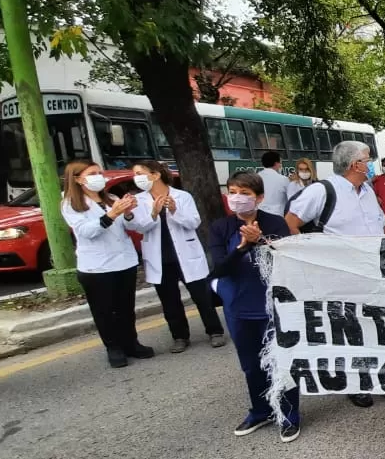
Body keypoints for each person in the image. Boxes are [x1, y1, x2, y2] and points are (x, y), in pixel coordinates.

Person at [287, 141, 385, 408]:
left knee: (382, 328)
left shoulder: (367, 190)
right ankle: (357, 384)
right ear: (355, 164)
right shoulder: (322, 191)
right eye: (368, 159)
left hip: (375, 273)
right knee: (352, 332)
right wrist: (314, 260)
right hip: (341, 278)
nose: (371, 164)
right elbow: (291, 223)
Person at [209, 170, 301, 443]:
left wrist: (260, 241)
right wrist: (242, 247)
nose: (237, 198)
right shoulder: (220, 228)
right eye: (232, 192)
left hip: (272, 306)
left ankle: (289, 414)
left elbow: (287, 260)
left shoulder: (275, 223)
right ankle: (261, 411)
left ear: (258, 198)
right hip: (238, 306)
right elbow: (219, 267)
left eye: (245, 193)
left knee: (281, 362)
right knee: (251, 365)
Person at [61, 160, 154, 368]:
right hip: (97, 267)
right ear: (78, 179)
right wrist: (112, 214)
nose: (99, 177)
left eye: (100, 172)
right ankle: (113, 348)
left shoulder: (112, 198)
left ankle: (131, 343)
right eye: (93, 173)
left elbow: (133, 226)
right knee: (104, 311)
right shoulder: (71, 204)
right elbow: (87, 232)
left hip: (124, 262)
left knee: (126, 308)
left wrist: (128, 212)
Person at [126, 160, 226, 353]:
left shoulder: (182, 196)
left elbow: (194, 222)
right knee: (169, 300)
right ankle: (180, 336)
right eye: (135, 174)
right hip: (160, 258)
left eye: (140, 173)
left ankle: (215, 331)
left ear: (155, 175)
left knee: (201, 296)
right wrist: (153, 213)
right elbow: (137, 227)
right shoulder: (138, 200)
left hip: (186, 255)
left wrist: (174, 210)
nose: (136, 178)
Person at [257, 152, 290, 216]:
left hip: (258, 214)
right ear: (276, 163)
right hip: (277, 216)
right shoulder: (283, 179)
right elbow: (290, 198)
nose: (280, 165)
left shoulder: (256, 177)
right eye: (280, 162)